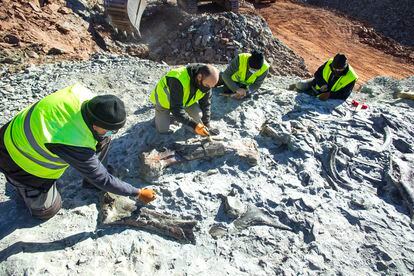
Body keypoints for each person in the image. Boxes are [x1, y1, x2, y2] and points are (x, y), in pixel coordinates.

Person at [0, 83, 156, 220]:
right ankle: (24, 188)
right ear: (95, 124)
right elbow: (103, 179)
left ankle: (90, 182)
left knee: (103, 138)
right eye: (110, 129)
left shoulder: (87, 99)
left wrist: (105, 135)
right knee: (48, 210)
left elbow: (102, 135)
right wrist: (137, 192)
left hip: (19, 130)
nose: (112, 133)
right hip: (16, 159)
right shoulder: (70, 138)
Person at [150, 64, 220, 136]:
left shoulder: (207, 83)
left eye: (211, 87)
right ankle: (162, 115)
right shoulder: (178, 79)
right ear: (199, 77)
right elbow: (176, 109)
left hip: (184, 102)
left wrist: (207, 124)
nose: (208, 89)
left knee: (198, 115)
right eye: (207, 86)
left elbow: (205, 104)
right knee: (162, 130)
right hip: (164, 102)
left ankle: (180, 117)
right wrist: (194, 125)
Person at [291, 53, 358, 100]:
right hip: (319, 85)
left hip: (332, 96)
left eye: (339, 70)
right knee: (300, 84)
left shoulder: (351, 77)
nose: (336, 71)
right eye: (334, 69)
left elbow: (344, 94)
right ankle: (295, 87)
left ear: (344, 67)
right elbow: (317, 74)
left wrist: (330, 95)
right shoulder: (329, 63)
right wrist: (322, 84)